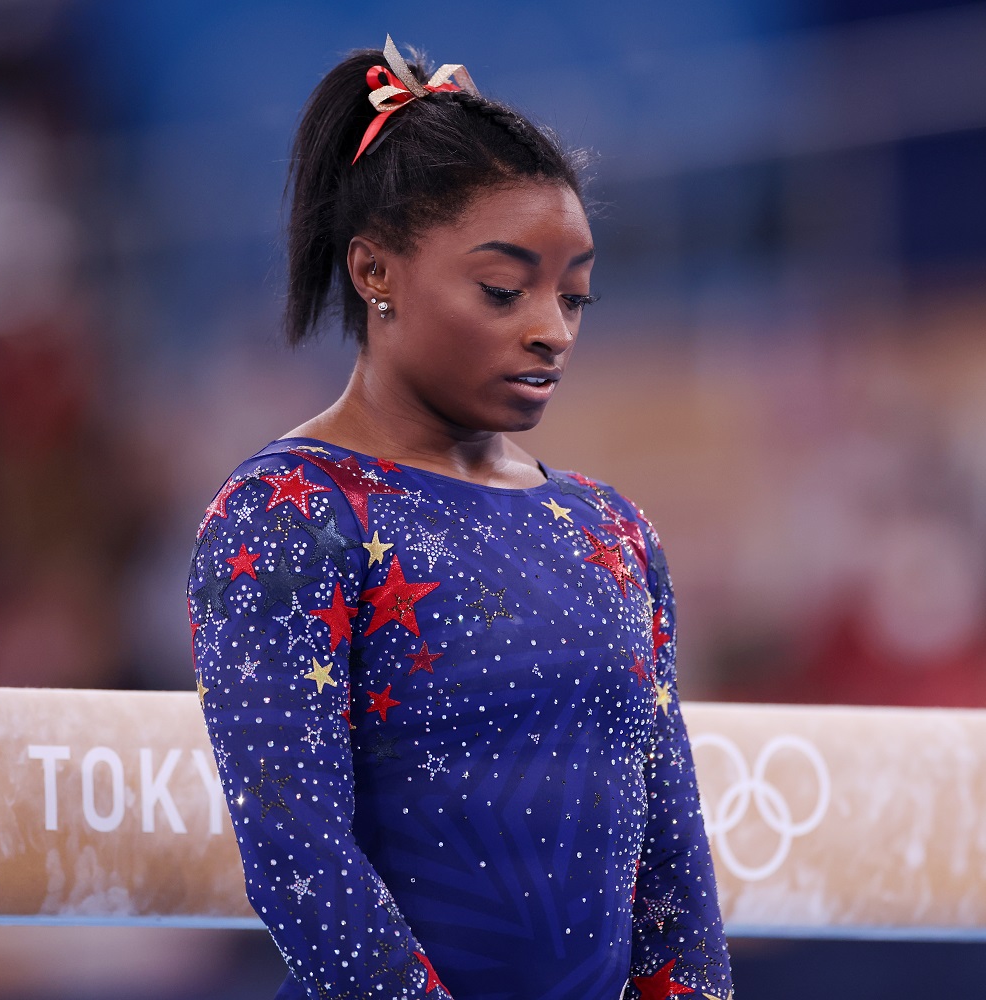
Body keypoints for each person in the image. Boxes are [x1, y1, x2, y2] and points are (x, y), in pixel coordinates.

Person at [187, 36, 735, 1000]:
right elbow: (297, 856)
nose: (552, 330)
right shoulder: (296, 515)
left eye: (574, 296)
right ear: (375, 272)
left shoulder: (609, 532)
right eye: (502, 288)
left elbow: (672, 874)